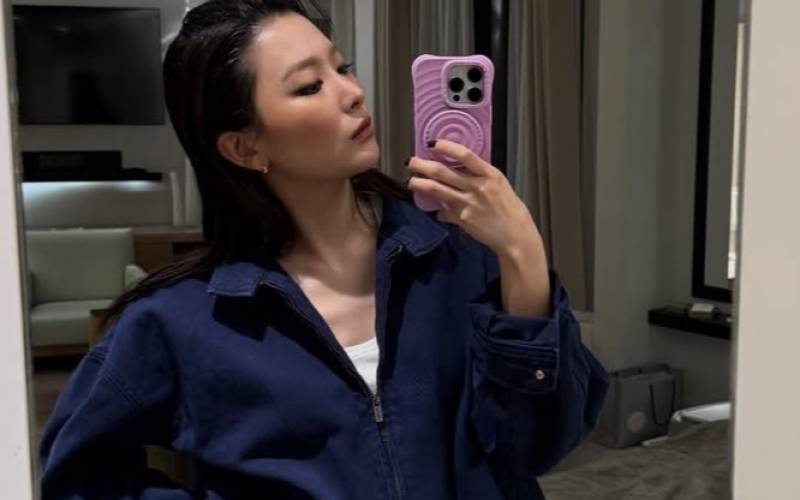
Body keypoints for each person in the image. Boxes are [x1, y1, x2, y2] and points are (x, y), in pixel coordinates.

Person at [39, 0, 609, 498]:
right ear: (244, 148)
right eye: (310, 86)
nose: (353, 93)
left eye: (343, 68)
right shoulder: (182, 319)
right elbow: (77, 477)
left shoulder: (458, 251)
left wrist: (522, 255)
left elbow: (539, 447)